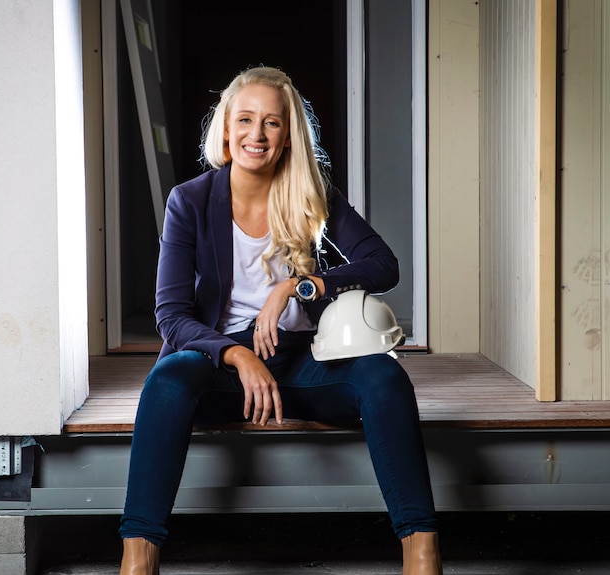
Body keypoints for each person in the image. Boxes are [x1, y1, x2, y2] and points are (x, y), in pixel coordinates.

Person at [118, 65, 442, 575]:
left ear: (288, 134)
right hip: (223, 368)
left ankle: (421, 551)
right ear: (225, 129)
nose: (256, 134)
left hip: (303, 363)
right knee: (166, 378)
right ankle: (138, 556)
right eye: (245, 119)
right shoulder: (191, 200)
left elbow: (385, 266)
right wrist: (236, 352)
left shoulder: (311, 195)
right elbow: (171, 316)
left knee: (383, 376)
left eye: (271, 122)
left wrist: (300, 285)